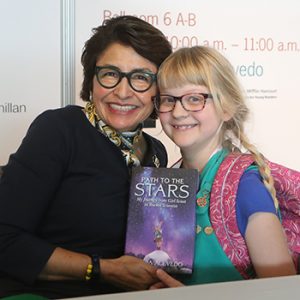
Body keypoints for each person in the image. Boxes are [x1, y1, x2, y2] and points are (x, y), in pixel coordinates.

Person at [0, 16, 172, 298]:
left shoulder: (156, 153)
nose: (123, 91)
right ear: (92, 79)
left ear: (158, 89)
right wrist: (102, 269)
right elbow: (4, 239)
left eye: (141, 77)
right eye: (110, 73)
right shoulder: (60, 130)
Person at [150, 46, 296, 288]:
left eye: (195, 99)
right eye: (168, 99)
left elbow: (284, 293)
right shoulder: (166, 182)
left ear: (226, 107)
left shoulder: (246, 188)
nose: (177, 111)